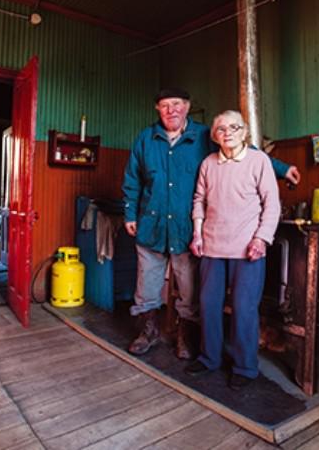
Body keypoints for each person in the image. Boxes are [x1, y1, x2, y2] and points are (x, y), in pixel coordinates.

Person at [122, 88, 298, 359]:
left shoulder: (206, 135)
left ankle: (185, 338)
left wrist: (282, 169)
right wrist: (130, 214)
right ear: (157, 109)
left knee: (189, 289)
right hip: (151, 224)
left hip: (185, 228)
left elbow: (244, 148)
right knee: (146, 285)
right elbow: (133, 179)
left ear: (187, 107)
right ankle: (148, 332)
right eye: (165, 105)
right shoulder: (145, 139)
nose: (171, 110)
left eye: (177, 104)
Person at [184, 110, 280, 390]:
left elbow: (272, 204)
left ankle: (245, 367)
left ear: (244, 132)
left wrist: (261, 239)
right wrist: (197, 233)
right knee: (208, 304)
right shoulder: (208, 163)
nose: (227, 133)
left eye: (234, 127)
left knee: (243, 308)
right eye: (221, 129)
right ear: (215, 136)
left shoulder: (259, 160)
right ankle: (209, 358)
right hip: (212, 245)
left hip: (247, 247)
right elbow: (199, 200)